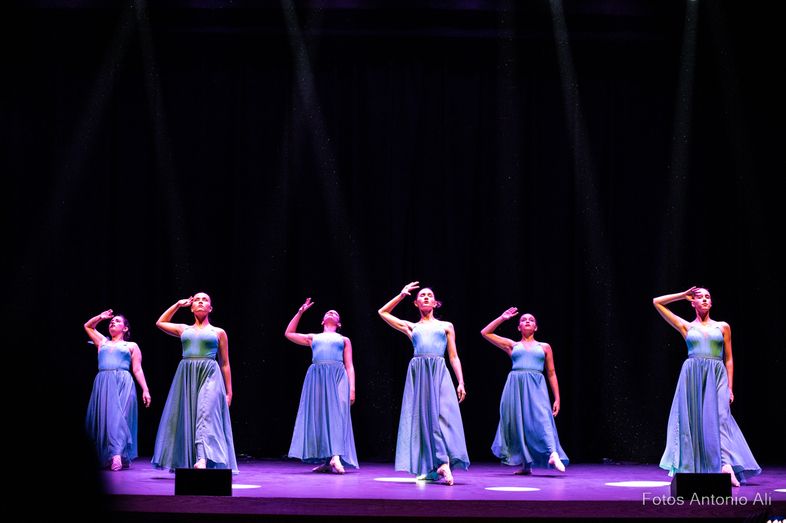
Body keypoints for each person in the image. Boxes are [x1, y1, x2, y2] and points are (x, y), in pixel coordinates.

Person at [653, 286, 761, 486]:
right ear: (692, 302)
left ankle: (725, 465)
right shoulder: (686, 327)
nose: (704, 299)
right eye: (699, 297)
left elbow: (729, 359)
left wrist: (730, 387)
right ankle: (692, 466)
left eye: (707, 297)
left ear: (711, 303)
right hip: (692, 375)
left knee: (721, 418)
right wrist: (682, 295)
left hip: (717, 374)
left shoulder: (722, 326)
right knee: (693, 420)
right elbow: (657, 302)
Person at [378, 282, 469, 485]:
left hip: (439, 371)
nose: (426, 297)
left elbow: (453, 356)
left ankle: (443, 462)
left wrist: (461, 381)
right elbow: (382, 312)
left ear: (435, 303)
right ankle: (433, 467)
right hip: (419, 373)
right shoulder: (412, 327)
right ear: (416, 303)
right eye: (422, 295)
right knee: (424, 420)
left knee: (443, 416)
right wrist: (401, 295)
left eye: (430, 295)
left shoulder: (446, 326)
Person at [152, 292, 238, 473]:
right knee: (188, 415)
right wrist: (178, 304)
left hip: (210, 374)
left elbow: (225, 363)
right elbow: (160, 322)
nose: (200, 302)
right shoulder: (184, 329)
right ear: (191, 307)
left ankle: (202, 458)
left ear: (210, 308)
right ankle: (192, 457)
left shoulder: (218, 332)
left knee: (205, 413)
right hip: (187, 375)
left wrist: (229, 391)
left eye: (205, 300)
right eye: (197, 300)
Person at [480, 308, 568, 474]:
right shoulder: (513, 346)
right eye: (523, 320)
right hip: (515, 387)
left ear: (536, 327)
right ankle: (526, 465)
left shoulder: (544, 347)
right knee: (519, 423)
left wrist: (557, 398)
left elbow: (551, 373)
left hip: (536, 386)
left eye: (531, 320)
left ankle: (553, 453)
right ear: (519, 327)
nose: (527, 321)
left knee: (543, 418)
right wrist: (502, 318)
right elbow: (485, 333)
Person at [284, 298, 358, 473]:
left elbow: (349, 365)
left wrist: (352, 388)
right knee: (322, 417)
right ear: (322, 321)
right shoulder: (313, 337)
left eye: (335, 313)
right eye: (328, 312)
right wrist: (300, 312)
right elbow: (289, 333)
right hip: (317, 377)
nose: (331, 312)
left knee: (339, 415)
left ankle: (336, 456)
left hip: (338, 376)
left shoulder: (344, 339)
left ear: (339, 323)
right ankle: (327, 461)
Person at [84, 309, 151, 471]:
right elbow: (88, 326)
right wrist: (100, 317)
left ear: (125, 328)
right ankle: (109, 455)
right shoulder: (102, 342)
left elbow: (137, 369)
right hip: (104, 382)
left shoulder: (131, 346)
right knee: (106, 420)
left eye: (117, 321)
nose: (113, 322)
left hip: (124, 382)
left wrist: (145, 390)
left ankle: (116, 454)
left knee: (121, 419)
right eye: (111, 321)